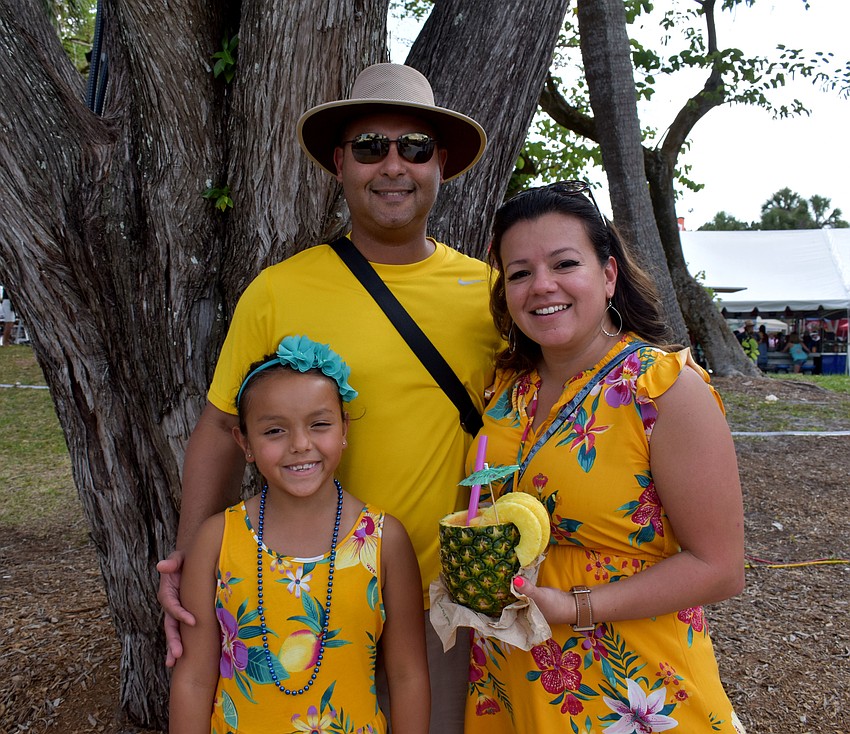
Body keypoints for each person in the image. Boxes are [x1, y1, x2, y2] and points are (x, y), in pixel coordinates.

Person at [158, 63, 500, 732]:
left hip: (438, 607)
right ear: (340, 162)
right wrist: (185, 565)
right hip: (288, 595)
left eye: (415, 147)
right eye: (372, 146)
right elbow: (217, 428)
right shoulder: (279, 291)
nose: (393, 165)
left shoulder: (489, 297)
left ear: (443, 163)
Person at [463, 182, 746, 732]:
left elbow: (720, 568)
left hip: (633, 686)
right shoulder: (504, 390)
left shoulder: (662, 389)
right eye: (519, 272)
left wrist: (576, 608)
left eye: (564, 263)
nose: (541, 285)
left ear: (608, 274)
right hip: (513, 679)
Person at [169, 335, 429, 733]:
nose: (300, 444)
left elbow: (408, 676)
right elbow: (193, 680)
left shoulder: (384, 540)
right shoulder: (217, 540)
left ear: (344, 428)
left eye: (319, 424)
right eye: (274, 431)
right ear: (245, 442)